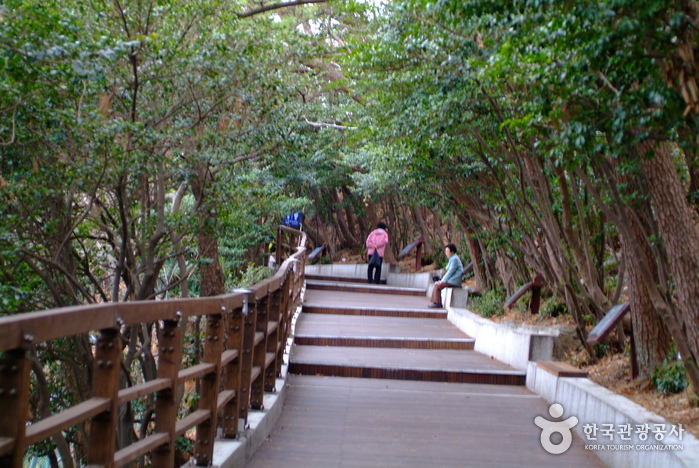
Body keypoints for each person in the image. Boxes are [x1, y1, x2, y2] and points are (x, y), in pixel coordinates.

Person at [429, 243, 463, 308]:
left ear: (452, 252)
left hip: (454, 281)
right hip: (452, 280)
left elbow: (450, 272)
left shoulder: (454, 259)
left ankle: (438, 303)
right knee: (437, 284)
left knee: (438, 285)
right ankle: (436, 302)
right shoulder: (452, 258)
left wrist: (442, 281)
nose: (446, 253)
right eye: (445, 251)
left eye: (447, 251)